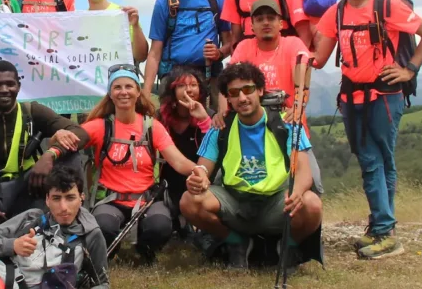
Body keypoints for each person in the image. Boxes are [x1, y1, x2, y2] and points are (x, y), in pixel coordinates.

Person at [311, 0, 422, 260]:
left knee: (372, 160)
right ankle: (382, 228)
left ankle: (385, 233)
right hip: (352, 97)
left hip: (384, 95)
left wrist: (410, 69)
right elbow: (319, 58)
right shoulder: (337, 12)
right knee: (381, 160)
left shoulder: (387, 5)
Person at [181, 62, 323, 269]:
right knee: (189, 201)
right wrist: (199, 177)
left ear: (260, 91)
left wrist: (298, 192)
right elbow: (203, 167)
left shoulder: (286, 125)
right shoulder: (221, 127)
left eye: (248, 90)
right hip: (235, 201)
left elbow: (303, 170)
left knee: (312, 204)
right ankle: (236, 242)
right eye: (234, 93)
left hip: (275, 203)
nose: (242, 98)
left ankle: (288, 246)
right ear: (228, 98)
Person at [81, 65, 206, 263]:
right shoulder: (100, 126)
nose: (124, 92)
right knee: (103, 224)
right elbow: (71, 139)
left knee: (161, 225)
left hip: (146, 199)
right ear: (110, 93)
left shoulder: (151, 126)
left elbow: (177, 160)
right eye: (117, 87)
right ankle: (109, 251)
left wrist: (199, 170)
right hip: (111, 200)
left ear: (138, 92)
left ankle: (145, 251)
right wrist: (58, 140)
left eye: (129, 86)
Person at [0, 60, 89, 236]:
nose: (4, 89)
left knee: (70, 157)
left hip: (28, 187)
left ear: (18, 86)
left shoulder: (32, 111)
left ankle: (71, 220)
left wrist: (50, 155)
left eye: (10, 84)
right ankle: (20, 226)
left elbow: (80, 134)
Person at [230, 0, 323, 195]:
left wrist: (297, 107)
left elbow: (302, 70)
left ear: (281, 23)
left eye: (271, 18)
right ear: (251, 25)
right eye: (260, 19)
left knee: (311, 181)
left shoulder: (293, 44)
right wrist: (223, 111)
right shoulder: (244, 47)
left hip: (289, 125)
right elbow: (230, 79)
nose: (266, 23)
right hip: (252, 129)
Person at [144, 0, 231, 108]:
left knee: (215, 126)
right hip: (173, 78)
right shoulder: (163, 4)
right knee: (171, 129)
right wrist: (146, 94)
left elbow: (229, 42)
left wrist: (218, 53)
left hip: (209, 76)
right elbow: (155, 52)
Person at [154, 66, 215, 229]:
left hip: (199, 178)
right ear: (172, 90)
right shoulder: (160, 116)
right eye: (181, 85)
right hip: (168, 180)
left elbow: (214, 150)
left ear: (201, 90)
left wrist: (204, 120)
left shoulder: (210, 115)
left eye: (193, 85)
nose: (188, 89)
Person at [79, 0, 148, 64]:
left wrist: (136, 26)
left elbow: (141, 56)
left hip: (119, 78)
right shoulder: (79, 21)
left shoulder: (124, 15)